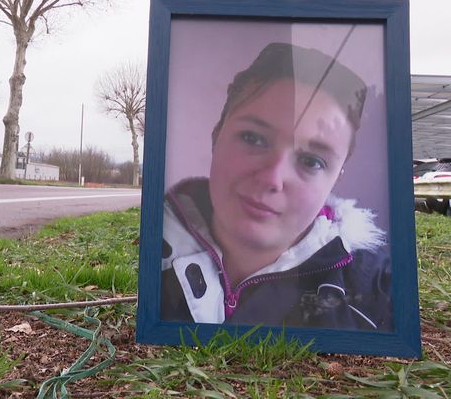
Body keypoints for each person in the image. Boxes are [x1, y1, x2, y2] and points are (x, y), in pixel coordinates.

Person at [160, 42, 393, 331]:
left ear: (337, 176)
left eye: (311, 161)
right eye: (253, 138)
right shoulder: (152, 248)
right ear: (217, 135)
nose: (272, 178)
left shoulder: (379, 295)